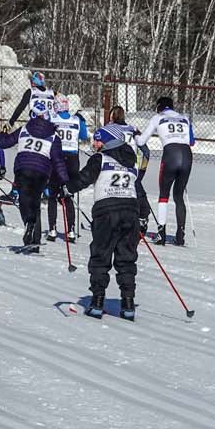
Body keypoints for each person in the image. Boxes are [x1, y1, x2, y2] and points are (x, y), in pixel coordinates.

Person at [67, 125, 144, 319]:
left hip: (106, 212)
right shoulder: (132, 162)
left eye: (98, 140)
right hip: (130, 211)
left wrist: (68, 187)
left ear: (108, 141)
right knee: (126, 258)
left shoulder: (100, 159)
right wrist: (143, 217)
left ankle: (97, 301)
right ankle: (128, 303)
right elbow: (139, 190)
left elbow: (84, 178)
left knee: (101, 256)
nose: (95, 144)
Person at [1, 101, 68, 252]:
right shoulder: (54, 136)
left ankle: (28, 224)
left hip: (23, 169)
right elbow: (58, 161)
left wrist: (2, 133)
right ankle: (35, 241)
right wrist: (64, 181)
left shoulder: (24, 129)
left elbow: (3, 143)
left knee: (24, 200)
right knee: (35, 203)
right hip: (42, 172)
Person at [136, 96, 194, 246]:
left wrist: (135, 136)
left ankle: (161, 234)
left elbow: (141, 141)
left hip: (170, 155)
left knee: (163, 196)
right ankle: (180, 235)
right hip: (186, 155)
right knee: (179, 196)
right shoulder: (184, 118)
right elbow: (191, 141)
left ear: (159, 107)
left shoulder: (157, 117)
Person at [47, 95, 88, 242]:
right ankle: (70, 230)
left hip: (56, 158)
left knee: (52, 194)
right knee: (69, 194)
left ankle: (52, 229)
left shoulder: (52, 118)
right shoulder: (77, 119)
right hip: (72, 159)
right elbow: (84, 136)